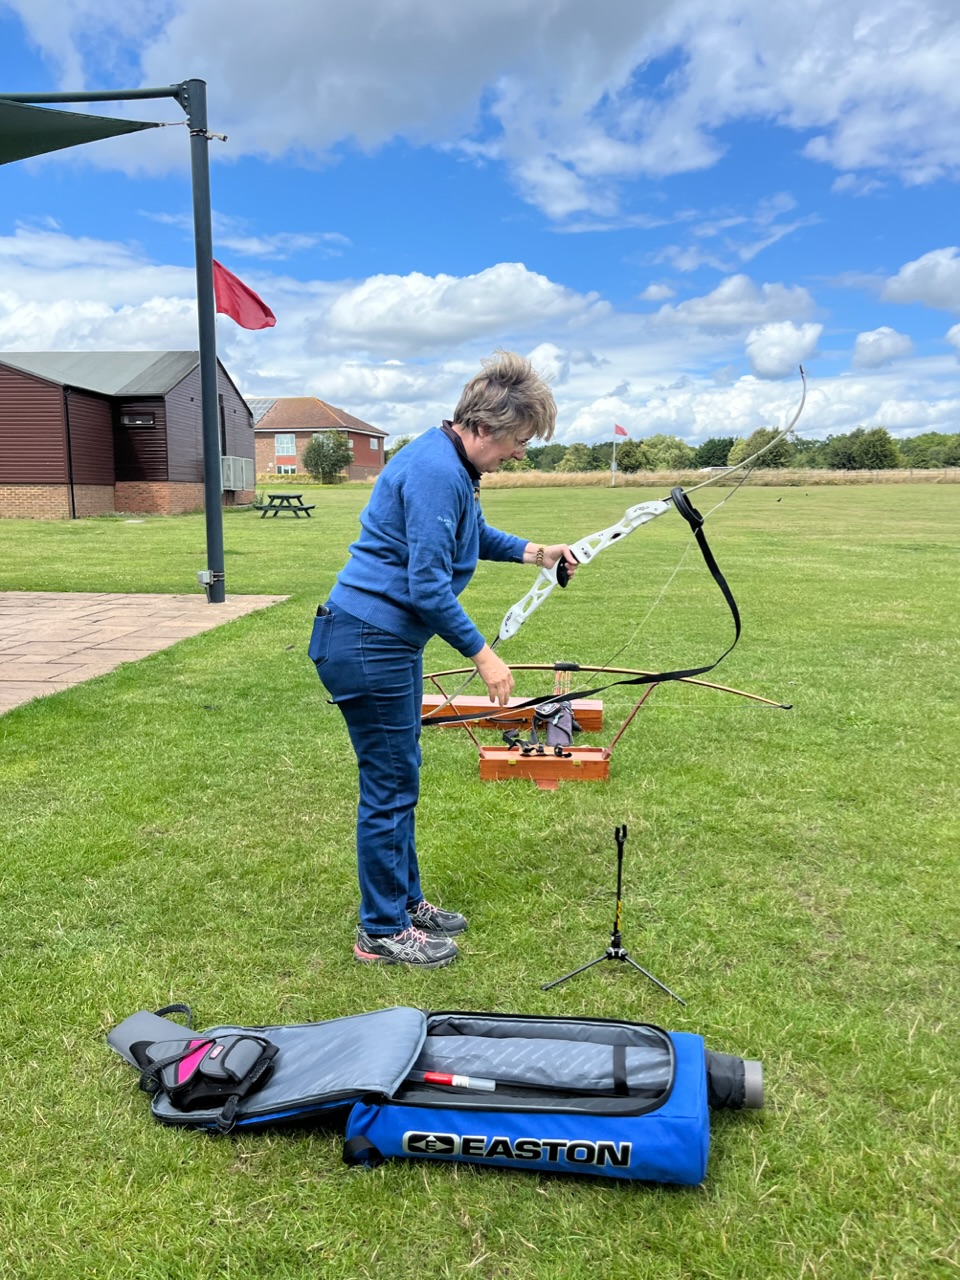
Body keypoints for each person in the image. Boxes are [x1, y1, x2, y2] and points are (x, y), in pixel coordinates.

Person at [309, 350, 576, 968]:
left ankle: (405, 903)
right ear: (483, 427)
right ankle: (379, 929)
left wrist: (538, 551)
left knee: (400, 776)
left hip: (382, 642)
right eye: (516, 440)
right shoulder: (436, 469)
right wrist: (485, 656)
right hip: (366, 642)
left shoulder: (451, 464)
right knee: (389, 783)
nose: (518, 453)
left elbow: (469, 534)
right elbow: (427, 586)